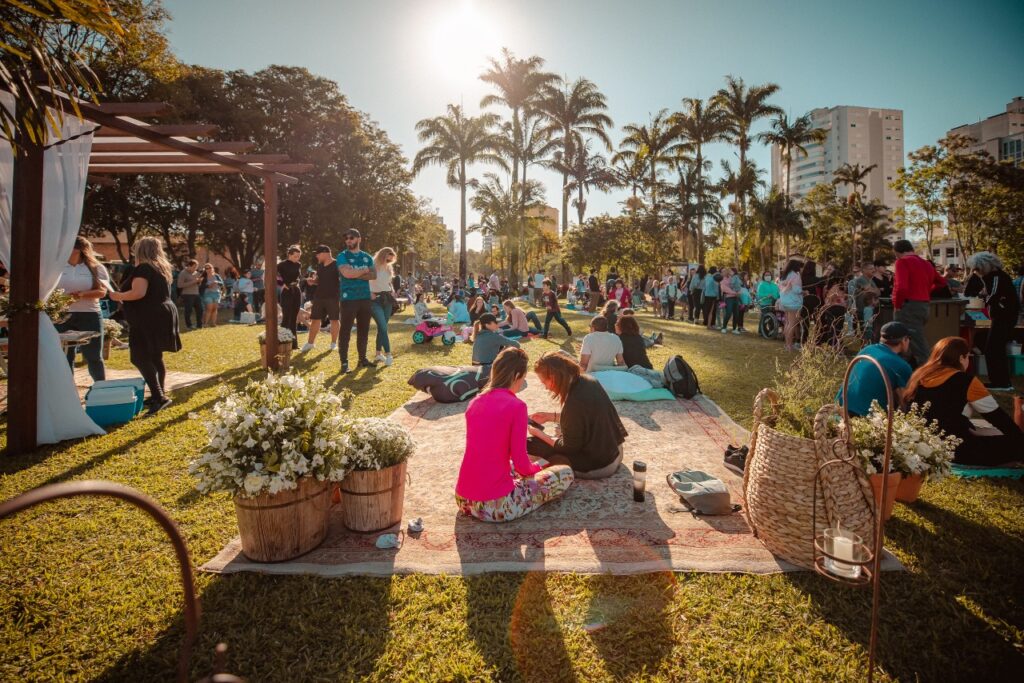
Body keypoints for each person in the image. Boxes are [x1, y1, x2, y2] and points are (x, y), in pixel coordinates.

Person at [455, 347, 574, 522]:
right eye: (523, 379)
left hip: (463, 499)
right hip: (495, 506)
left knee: (508, 464)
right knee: (564, 473)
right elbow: (521, 464)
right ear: (517, 375)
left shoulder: (475, 402)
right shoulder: (517, 406)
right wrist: (537, 468)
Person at [901, 336, 1023, 466]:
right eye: (968, 357)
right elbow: (998, 418)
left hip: (919, 448)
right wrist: (1019, 440)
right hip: (956, 451)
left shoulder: (919, 376)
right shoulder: (966, 381)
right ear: (961, 358)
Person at [107, 236, 181, 415]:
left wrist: (117, 296)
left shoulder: (144, 268)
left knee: (139, 357)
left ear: (141, 250)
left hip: (148, 317)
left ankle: (160, 396)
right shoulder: (161, 267)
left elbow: (138, 293)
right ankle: (158, 394)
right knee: (155, 356)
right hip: (161, 314)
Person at [527, 352, 629, 479]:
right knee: (554, 436)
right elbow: (585, 417)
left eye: (544, 383)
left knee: (532, 444)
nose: (546, 388)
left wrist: (539, 434)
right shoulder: (588, 380)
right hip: (615, 452)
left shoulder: (574, 402)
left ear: (553, 378)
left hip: (599, 466)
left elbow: (568, 448)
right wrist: (550, 416)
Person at [57, 236, 110, 381]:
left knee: (93, 355)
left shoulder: (96, 268)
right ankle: (67, 389)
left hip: (90, 314)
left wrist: (81, 295)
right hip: (62, 315)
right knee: (65, 355)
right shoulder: (57, 267)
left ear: (79, 249)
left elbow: (102, 292)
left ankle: (100, 387)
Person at [966, 251, 1020, 391]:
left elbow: (994, 295)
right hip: (1003, 315)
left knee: (993, 349)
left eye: (978, 268)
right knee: (995, 348)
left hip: (1004, 316)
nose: (977, 272)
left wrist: (984, 298)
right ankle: (1001, 381)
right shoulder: (995, 276)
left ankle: (1000, 382)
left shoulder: (996, 276)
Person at [836, 321, 913, 417]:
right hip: (864, 418)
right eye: (909, 338)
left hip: (840, 408)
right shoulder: (902, 366)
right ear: (904, 340)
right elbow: (905, 403)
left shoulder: (866, 349)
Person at [892, 239, 945, 367]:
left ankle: (929, 373)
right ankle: (908, 372)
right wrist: (926, 291)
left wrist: (897, 305)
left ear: (897, 252)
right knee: (908, 341)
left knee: (915, 343)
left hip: (908, 306)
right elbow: (942, 282)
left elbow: (902, 287)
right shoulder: (926, 264)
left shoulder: (902, 262)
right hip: (924, 306)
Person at [336, 228, 377, 373]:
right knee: (345, 331)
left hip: (364, 298)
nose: (348, 240)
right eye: (346, 238)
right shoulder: (342, 256)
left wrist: (355, 274)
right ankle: (344, 363)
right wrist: (363, 271)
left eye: (352, 238)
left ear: (359, 239)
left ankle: (362, 359)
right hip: (348, 299)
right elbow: (346, 273)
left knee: (363, 331)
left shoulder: (367, 257)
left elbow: (373, 275)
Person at [300, 245, 340, 352]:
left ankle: (333, 344)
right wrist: (313, 281)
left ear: (325, 253)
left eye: (317, 254)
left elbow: (343, 280)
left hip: (333, 297)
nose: (316, 256)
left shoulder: (337, 264)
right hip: (319, 297)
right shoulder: (321, 265)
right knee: (315, 320)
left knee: (334, 320)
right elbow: (318, 279)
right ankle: (310, 343)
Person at [369, 247, 398, 366]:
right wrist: (369, 292)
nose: (389, 262)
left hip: (387, 299)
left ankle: (377, 354)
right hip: (375, 300)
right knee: (383, 327)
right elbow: (364, 280)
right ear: (382, 255)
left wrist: (392, 290)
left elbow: (388, 282)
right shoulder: (371, 264)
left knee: (382, 327)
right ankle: (388, 354)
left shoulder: (389, 267)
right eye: (387, 260)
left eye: (390, 260)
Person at [779, 260, 804, 351]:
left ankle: (787, 344)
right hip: (794, 302)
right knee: (792, 324)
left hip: (785, 302)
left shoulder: (784, 275)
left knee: (788, 323)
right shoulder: (795, 276)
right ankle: (789, 346)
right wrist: (804, 292)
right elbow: (797, 290)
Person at [176, 259, 203, 330]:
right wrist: (194, 281)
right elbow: (179, 285)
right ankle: (189, 326)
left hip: (196, 294)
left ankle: (199, 325)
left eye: (196, 267)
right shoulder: (183, 273)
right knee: (188, 310)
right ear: (189, 266)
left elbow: (198, 284)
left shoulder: (196, 273)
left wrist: (199, 282)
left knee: (200, 309)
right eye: (194, 267)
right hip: (187, 295)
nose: (195, 268)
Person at [200, 264, 224, 329]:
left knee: (214, 309)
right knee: (209, 309)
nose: (208, 269)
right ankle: (205, 323)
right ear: (205, 270)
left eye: (209, 268)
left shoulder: (216, 275)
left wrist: (216, 282)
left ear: (212, 268)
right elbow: (201, 286)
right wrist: (208, 286)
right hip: (208, 294)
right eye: (206, 268)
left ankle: (213, 323)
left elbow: (222, 283)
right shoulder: (204, 277)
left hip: (216, 293)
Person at [720, 267, 742, 334]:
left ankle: (734, 328)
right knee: (728, 313)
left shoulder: (733, 277)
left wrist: (739, 292)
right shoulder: (722, 280)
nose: (723, 273)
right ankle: (724, 327)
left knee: (736, 313)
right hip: (729, 298)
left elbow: (738, 285)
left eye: (725, 271)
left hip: (736, 298)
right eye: (722, 272)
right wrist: (735, 293)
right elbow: (725, 289)